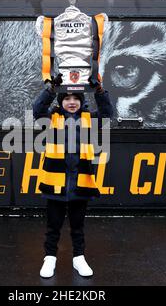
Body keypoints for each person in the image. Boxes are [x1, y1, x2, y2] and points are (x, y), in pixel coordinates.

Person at [33, 79, 113, 278]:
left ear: (81, 101)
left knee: (78, 227)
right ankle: (49, 258)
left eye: (75, 98)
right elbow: (37, 109)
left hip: (80, 184)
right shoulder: (52, 118)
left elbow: (107, 113)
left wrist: (100, 90)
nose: (71, 102)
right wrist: (51, 89)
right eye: (66, 98)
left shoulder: (89, 119)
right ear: (60, 102)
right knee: (53, 226)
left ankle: (79, 258)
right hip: (55, 184)